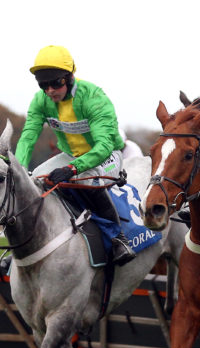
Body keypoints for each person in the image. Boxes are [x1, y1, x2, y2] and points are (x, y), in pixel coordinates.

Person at [15, 45, 135, 266]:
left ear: (70, 76)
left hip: (106, 154)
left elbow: (103, 146)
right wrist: (19, 168)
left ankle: (118, 238)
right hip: (70, 155)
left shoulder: (94, 97)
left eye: (56, 83)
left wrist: (72, 169)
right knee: (36, 179)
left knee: (83, 178)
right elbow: (28, 137)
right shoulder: (40, 101)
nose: (50, 90)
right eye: (43, 85)